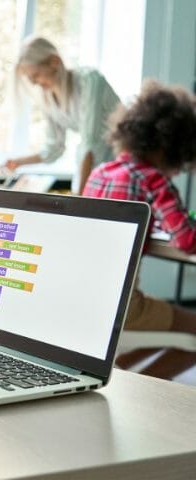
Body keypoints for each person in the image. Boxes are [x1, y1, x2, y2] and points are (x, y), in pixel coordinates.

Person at [83, 81, 196, 375]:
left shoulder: (100, 173)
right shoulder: (153, 180)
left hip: (83, 297)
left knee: (171, 327)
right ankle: (141, 389)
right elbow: (186, 241)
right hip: (122, 306)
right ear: (169, 146)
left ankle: (118, 376)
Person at [2, 36, 121, 194]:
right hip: (94, 170)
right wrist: (18, 163)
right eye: (29, 79)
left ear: (54, 61)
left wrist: (79, 197)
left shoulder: (90, 81)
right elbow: (54, 149)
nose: (33, 83)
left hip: (119, 161)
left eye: (35, 75)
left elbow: (90, 143)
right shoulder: (48, 98)